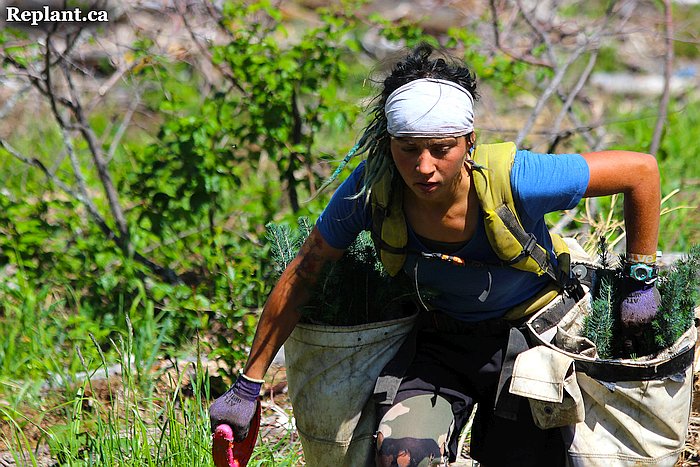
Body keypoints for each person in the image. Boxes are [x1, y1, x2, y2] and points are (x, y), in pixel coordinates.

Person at [209, 43, 661, 466]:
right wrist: (248, 385)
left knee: (521, 456)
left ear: (469, 142)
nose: (424, 167)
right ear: (390, 145)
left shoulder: (520, 178)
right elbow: (304, 271)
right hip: (443, 341)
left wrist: (640, 276)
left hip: (529, 340)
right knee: (404, 453)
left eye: (441, 150)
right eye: (408, 150)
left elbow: (641, 172)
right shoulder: (373, 192)